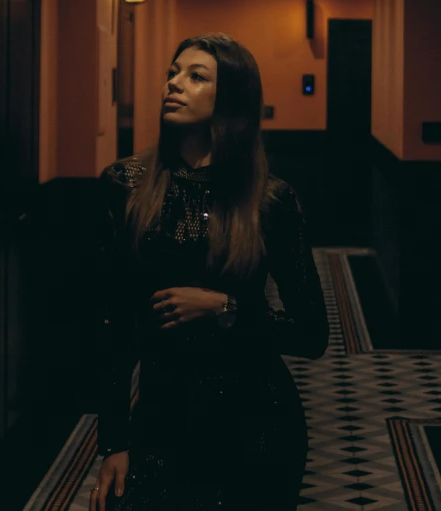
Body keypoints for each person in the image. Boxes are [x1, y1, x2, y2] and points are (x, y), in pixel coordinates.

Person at [90, 33, 329, 511]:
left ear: (232, 100)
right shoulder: (126, 186)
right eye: (172, 73)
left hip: (257, 422)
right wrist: (113, 439)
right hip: (162, 418)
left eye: (195, 76)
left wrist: (226, 308)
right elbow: (111, 324)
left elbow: (312, 333)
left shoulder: (269, 200)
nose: (174, 84)